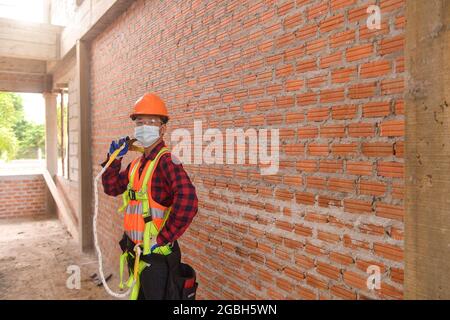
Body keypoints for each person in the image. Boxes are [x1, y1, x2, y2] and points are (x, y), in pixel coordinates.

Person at [101, 93, 198, 300]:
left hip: (157, 261)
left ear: (162, 129)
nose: (143, 127)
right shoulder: (136, 165)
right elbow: (111, 187)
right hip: (135, 255)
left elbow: (189, 202)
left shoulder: (168, 162)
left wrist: (162, 238)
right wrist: (113, 161)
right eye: (139, 122)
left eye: (151, 122)